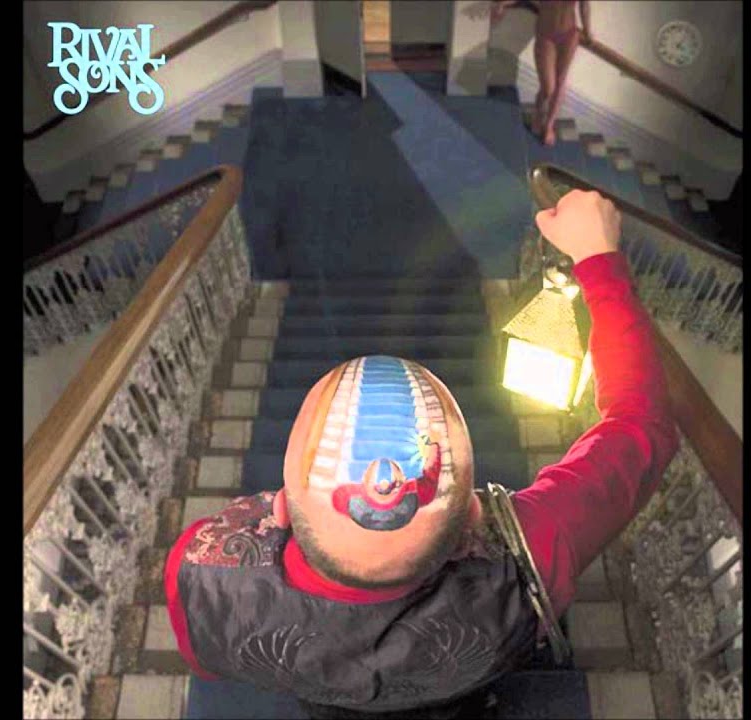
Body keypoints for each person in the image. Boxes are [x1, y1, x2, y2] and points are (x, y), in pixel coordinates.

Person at [162, 188, 678, 718]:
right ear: (476, 513)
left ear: (280, 508)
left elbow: (207, 663)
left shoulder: (203, 580)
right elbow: (642, 423)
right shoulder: (536, 554)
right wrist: (597, 258)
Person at [493, 1, 595, 146]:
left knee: (561, 80)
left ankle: (549, 125)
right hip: (546, 35)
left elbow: (584, 5)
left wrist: (587, 30)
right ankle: (538, 113)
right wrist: (502, 4)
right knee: (548, 88)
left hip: (570, 34)